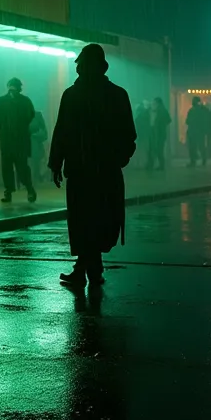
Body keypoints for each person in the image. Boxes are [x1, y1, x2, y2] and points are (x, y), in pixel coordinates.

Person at [48, 44, 136, 288]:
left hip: (92, 170)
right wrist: (56, 162)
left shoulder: (104, 95)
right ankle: (90, 268)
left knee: (89, 220)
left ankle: (87, 268)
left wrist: (117, 158)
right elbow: (62, 131)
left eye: (82, 63)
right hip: (88, 170)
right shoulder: (109, 94)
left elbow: (127, 135)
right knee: (89, 220)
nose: (78, 67)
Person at [0, 77, 37, 203]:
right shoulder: (2, 101)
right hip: (7, 139)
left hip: (20, 140)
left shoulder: (24, 101)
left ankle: (29, 188)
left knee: (22, 166)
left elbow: (30, 115)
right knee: (6, 167)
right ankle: (8, 191)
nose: (13, 88)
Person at [146, 97, 171, 170]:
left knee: (158, 149)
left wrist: (160, 124)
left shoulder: (162, 111)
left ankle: (159, 165)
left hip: (159, 133)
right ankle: (152, 164)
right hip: (155, 132)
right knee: (153, 148)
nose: (153, 104)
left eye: (154, 103)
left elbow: (168, 120)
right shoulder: (152, 110)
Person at [186, 96, 209, 167]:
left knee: (200, 146)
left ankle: (203, 160)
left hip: (199, 131)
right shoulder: (192, 110)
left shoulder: (201, 110)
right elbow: (187, 120)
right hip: (193, 131)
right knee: (192, 147)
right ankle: (193, 161)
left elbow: (205, 120)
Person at [30, 111, 49, 184]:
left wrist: (35, 135)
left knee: (35, 162)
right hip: (23, 145)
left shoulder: (37, 115)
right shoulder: (17, 114)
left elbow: (44, 133)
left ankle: (35, 179)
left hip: (35, 146)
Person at [134, 101, 151, 166]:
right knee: (145, 150)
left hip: (141, 136)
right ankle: (143, 163)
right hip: (145, 135)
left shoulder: (139, 118)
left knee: (141, 150)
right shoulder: (146, 117)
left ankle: (140, 164)